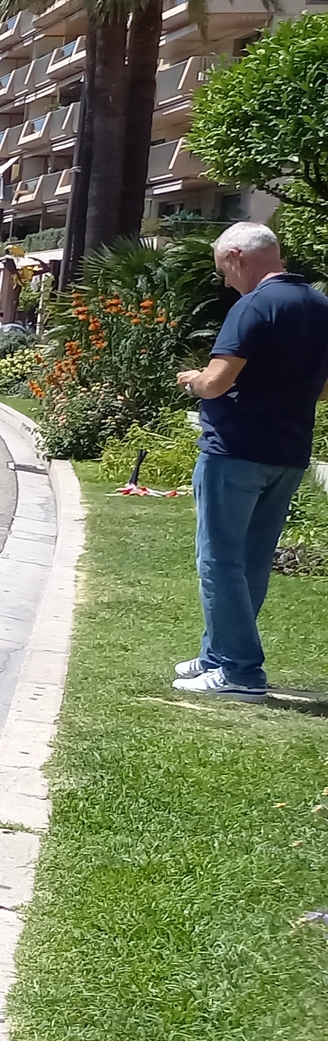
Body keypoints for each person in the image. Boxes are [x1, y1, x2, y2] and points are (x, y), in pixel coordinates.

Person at [171, 222, 328, 700]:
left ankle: (240, 670)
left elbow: (218, 381)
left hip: (235, 450)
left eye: (223, 269)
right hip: (288, 452)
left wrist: (193, 379)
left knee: (218, 559)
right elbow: (324, 389)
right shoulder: (321, 306)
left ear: (237, 256)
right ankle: (219, 653)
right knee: (253, 561)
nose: (224, 280)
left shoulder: (253, 304)